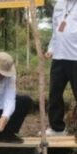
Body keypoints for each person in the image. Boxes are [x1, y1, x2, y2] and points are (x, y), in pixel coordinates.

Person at [43, 0, 77, 136]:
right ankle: (57, 128)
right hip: (58, 57)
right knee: (54, 94)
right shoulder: (59, 4)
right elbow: (55, 30)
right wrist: (51, 48)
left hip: (75, 57)